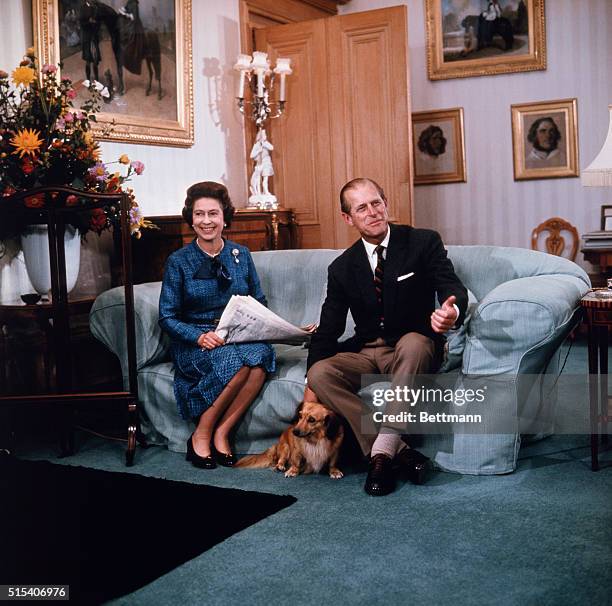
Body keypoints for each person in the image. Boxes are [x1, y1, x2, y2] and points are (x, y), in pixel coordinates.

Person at [305, 177, 468, 496]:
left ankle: (379, 456)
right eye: (361, 207)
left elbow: (451, 287)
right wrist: (310, 387)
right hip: (366, 352)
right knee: (320, 372)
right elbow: (329, 328)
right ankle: (399, 450)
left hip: (413, 348)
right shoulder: (341, 267)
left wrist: (452, 311)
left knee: (413, 342)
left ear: (386, 203)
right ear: (348, 218)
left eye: (376, 203)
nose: (372, 212)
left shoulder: (422, 242)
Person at [159, 182, 276, 469]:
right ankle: (201, 434)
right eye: (199, 214)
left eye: (213, 213)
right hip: (195, 342)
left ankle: (223, 432)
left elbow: (258, 301)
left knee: (260, 358)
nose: (206, 221)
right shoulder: (178, 261)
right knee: (237, 363)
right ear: (191, 218)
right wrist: (199, 337)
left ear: (225, 218)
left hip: (236, 336)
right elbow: (167, 317)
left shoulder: (241, 255)